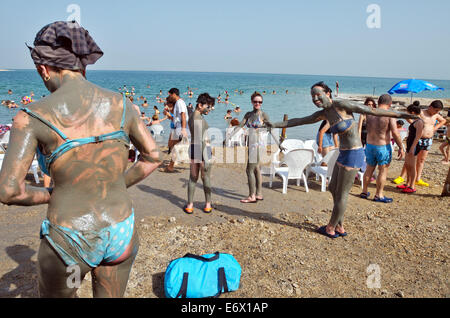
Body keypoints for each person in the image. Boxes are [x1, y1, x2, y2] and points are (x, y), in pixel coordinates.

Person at [0, 21, 161, 298]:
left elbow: (9, 191)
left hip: (70, 237)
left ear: (43, 68)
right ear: (81, 65)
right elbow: (152, 157)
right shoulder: (123, 104)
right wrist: (115, 184)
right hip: (120, 228)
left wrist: (50, 194)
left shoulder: (31, 116)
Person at [267, 82, 417, 239]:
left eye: (318, 94)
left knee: (343, 194)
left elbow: (372, 110)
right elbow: (298, 121)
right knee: (333, 188)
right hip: (343, 153)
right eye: (312, 96)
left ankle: (331, 227)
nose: (315, 98)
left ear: (328, 94)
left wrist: (404, 116)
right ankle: (339, 224)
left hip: (354, 153)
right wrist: (274, 124)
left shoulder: (342, 105)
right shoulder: (324, 113)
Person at [229, 92, 280, 203]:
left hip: (259, 145)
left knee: (249, 170)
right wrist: (230, 135)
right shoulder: (248, 114)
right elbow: (240, 125)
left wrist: (279, 143)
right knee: (256, 168)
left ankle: (251, 196)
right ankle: (259, 194)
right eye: (256, 101)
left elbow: (271, 129)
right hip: (251, 144)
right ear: (252, 102)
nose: (258, 103)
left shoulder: (263, 115)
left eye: (260, 102)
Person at [359, 94, 405, 203]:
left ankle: (364, 192)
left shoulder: (370, 112)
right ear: (390, 104)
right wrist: (401, 147)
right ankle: (379, 195)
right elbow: (395, 132)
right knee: (383, 171)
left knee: (369, 169)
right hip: (382, 146)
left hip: (369, 145)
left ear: (378, 101)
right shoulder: (389, 114)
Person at [393, 100, 446, 187]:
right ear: (430, 107)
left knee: (422, 160)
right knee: (410, 159)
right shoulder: (421, 112)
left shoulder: (436, 115)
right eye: (436, 110)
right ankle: (402, 176)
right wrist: (414, 124)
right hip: (418, 139)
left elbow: (443, 121)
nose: (437, 112)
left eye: (438, 111)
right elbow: (408, 115)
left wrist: (435, 128)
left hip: (428, 140)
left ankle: (418, 178)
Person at [184, 93, 215, 214]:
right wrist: (207, 157)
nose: (210, 109)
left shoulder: (193, 115)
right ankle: (208, 204)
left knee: (192, 178)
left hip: (193, 148)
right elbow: (201, 139)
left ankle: (190, 205)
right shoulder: (198, 118)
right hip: (202, 149)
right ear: (200, 105)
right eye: (209, 106)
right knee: (205, 177)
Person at [396, 103, 424, 193]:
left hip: (414, 146)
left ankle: (412, 186)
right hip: (410, 145)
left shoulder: (419, 122)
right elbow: (408, 119)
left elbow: (418, 136)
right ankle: (407, 183)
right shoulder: (415, 121)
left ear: (412, 112)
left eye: (409, 112)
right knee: (407, 164)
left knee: (412, 166)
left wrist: (412, 147)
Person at [160, 88, 189, 172]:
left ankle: (171, 166)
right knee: (173, 147)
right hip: (178, 127)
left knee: (175, 147)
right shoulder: (177, 103)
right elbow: (176, 118)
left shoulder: (180, 102)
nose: (169, 97)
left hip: (181, 128)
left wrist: (183, 129)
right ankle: (171, 166)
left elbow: (183, 115)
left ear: (173, 94)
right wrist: (168, 115)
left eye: (170, 95)